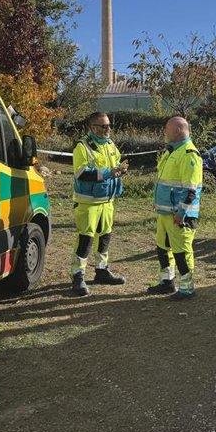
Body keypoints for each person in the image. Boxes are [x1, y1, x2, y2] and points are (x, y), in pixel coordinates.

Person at [71, 112, 129, 296]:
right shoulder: (82, 146)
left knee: (105, 237)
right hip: (88, 203)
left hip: (107, 201)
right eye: (103, 126)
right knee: (85, 240)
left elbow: (116, 166)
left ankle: (102, 271)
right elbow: (81, 173)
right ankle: (78, 275)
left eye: (109, 126)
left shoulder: (110, 144)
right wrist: (108, 173)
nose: (108, 130)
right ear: (92, 128)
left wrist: (121, 171)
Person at [147, 116, 203, 300]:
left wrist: (181, 213)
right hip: (165, 213)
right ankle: (167, 282)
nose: (165, 132)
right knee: (163, 248)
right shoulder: (171, 151)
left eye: (167, 129)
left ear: (178, 130)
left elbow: (191, 190)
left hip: (179, 215)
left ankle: (187, 287)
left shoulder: (189, 154)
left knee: (181, 251)